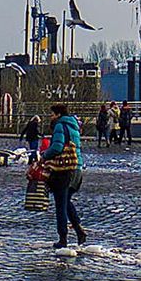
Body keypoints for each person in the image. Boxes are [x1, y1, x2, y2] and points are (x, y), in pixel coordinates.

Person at [41, 103, 86, 247]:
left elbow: (57, 147)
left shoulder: (60, 126)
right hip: (77, 167)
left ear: (58, 114)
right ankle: (79, 230)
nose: (51, 117)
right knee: (66, 201)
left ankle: (63, 239)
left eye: (52, 114)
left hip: (64, 169)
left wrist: (44, 155)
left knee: (60, 204)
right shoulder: (74, 126)